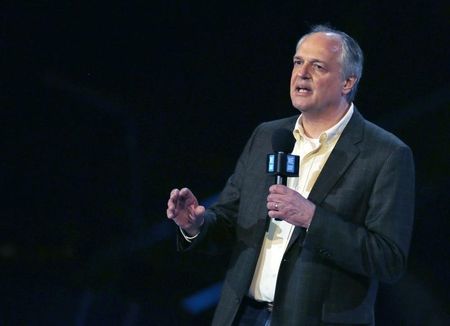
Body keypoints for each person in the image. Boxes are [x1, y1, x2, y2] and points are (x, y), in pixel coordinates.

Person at [166, 25, 415, 326]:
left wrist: (312, 218)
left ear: (348, 81)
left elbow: (388, 259)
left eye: (318, 66)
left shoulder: (385, 154)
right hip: (243, 316)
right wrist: (197, 223)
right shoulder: (268, 135)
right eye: (298, 62)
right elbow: (231, 219)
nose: (302, 73)